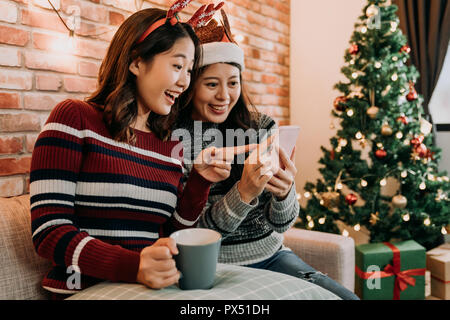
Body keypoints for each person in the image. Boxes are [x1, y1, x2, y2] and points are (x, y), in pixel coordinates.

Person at [29, 1, 252, 297]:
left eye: (189, 71)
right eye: (177, 66)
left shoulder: (170, 143)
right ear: (136, 62)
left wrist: (200, 180)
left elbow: (171, 234)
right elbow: (49, 232)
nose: (185, 82)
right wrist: (134, 266)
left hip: (147, 287)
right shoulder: (75, 118)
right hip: (83, 288)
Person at [175, 10, 360, 300]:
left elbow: (282, 223)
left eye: (233, 83)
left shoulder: (262, 127)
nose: (224, 95)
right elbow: (196, 233)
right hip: (214, 264)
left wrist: (285, 193)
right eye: (212, 84)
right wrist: (244, 191)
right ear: (189, 86)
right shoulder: (176, 138)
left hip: (272, 256)